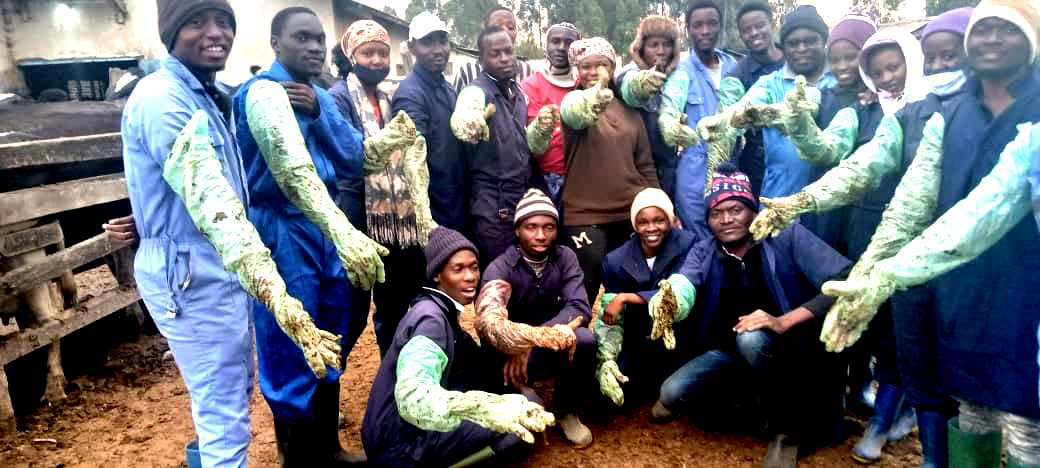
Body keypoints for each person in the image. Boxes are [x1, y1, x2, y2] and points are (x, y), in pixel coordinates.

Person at [752, 2, 1040, 466]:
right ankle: (927, 450)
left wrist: (881, 273)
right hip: (934, 271)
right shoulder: (929, 114)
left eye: (1003, 31)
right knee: (955, 387)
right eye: (980, 32)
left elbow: (987, 209)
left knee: (1027, 413)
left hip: (1020, 277)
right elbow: (876, 180)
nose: (987, 42)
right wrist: (804, 198)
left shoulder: (1028, 115)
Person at [232, 6, 409, 465]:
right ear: (276, 43)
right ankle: (298, 457)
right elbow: (288, 173)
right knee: (293, 336)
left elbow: (355, 158)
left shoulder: (319, 97)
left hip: (328, 227)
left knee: (333, 327)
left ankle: (327, 447)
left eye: (317, 39)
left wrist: (319, 113)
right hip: (283, 226)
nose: (312, 47)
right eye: (300, 38)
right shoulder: (260, 93)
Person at [121, 2, 255, 465]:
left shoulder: (207, 94)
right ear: (172, 32)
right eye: (197, 22)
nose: (214, 33)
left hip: (215, 264)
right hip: (192, 272)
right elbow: (209, 197)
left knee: (229, 393)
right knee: (223, 413)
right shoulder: (164, 98)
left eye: (223, 22)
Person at [650, 165, 851, 468]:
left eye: (736, 209)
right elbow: (685, 281)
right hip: (727, 348)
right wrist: (670, 298)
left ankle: (787, 430)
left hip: (793, 345)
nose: (726, 219)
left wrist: (784, 320)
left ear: (752, 210)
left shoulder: (784, 235)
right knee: (671, 393)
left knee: (752, 339)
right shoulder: (705, 250)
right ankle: (752, 402)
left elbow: (844, 278)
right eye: (717, 213)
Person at [361, 227, 552, 467]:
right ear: (438, 275)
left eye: (473, 267)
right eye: (458, 269)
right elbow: (414, 397)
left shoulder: (440, 310)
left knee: (519, 400)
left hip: (394, 435)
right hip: (400, 445)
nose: (471, 276)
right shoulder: (430, 321)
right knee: (520, 426)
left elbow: (476, 364)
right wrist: (490, 408)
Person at [329, 21, 430, 357]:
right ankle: (326, 395)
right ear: (350, 55)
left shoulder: (388, 98)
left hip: (396, 217)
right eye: (367, 53)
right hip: (356, 212)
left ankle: (394, 373)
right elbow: (347, 155)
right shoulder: (338, 98)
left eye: (382, 53)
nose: (375, 60)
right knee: (351, 312)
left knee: (397, 302)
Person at [474, 188, 595, 447]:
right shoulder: (500, 267)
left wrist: (533, 341)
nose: (541, 235)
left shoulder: (566, 258)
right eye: (531, 227)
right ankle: (518, 390)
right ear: (517, 230)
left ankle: (567, 411)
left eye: (548, 227)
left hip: (540, 350)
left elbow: (579, 307)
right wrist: (519, 344)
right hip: (508, 358)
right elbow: (489, 324)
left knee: (584, 339)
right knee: (531, 411)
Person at [558, 37, 659, 304]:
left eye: (600, 65)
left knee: (628, 285)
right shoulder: (575, 102)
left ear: (613, 67)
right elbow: (575, 114)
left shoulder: (631, 110)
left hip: (628, 211)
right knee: (585, 284)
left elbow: (645, 163)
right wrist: (593, 98)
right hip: (584, 214)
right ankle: (578, 340)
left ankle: (624, 344)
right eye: (586, 66)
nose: (592, 72)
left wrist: (659, 204)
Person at [595, 188, 699, 407]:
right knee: (610, 395)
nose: (651, 228)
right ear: (634, 224)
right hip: (639, 339)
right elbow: (611, 316)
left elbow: (680, 289)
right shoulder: (615, 260)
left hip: (680, 336)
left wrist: (627, 297)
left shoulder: (690, 244)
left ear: (670, 220)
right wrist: (608, 357)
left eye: (659, 220)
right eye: (643, 222)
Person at [451, 26, 543, 263]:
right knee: (496, 277)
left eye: (508, 51)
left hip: (521, 199)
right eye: (495, 54)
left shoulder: (517, 92)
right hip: (493, 206)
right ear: (481, 59)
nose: (504, 59)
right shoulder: (476, 91)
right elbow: (465, 113)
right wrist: (470, 119)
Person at [656, 0, 738, 237]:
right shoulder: (681, 72)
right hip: (694, 168)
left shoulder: (734, 66)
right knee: (698, 237)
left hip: (732, 164)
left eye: (711, 24)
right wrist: (671, 125)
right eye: (697, 25)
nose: (705, 31)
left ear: (720, 26)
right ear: (688, 29)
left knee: (732, 233)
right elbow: (669, 108)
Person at [393, 12, 469, 232]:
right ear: (412, 47)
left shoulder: (447, 88)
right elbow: (413, 162)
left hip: (458, 198)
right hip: (436, 206)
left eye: (442, 40)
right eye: (427, 42)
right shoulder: (410, 94)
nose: (438, 49)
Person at [617, 16, 683, 200]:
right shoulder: (628, 73)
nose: (661, 51)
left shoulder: (678, 78)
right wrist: (641, 84)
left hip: (670, 171)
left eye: (667, 45)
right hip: (635, 171)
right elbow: (629, 88)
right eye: (654, 44)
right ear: (641, 46)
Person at [730, 1, 785, 196]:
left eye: (759, 26)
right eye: (747, 30)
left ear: (772, 24)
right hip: (758, 165)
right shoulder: (738, 75)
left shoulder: (794, 56)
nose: (754, 33)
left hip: (802, 157)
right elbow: (730, 123)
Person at [520, 22, 580, 203]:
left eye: (569, 42)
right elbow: (533, 141)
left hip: (582, 176)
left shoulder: (583, 84)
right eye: (555, 41)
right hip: (546, 179)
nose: (561, 48)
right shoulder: (531, 85)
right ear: (546, 46)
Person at [453, 5, 533, 93]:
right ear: (485, 31)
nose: (504, 31)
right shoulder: (467, 71)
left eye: (510, 27)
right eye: (497, 27)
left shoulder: (527, 70)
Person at [920, 7, 973, 94]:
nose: (936, 67)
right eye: (930, 59)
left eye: (948, 57)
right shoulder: (918, 103)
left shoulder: (990, 103)